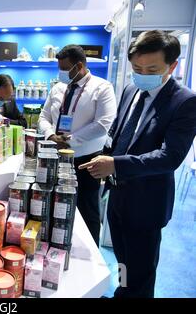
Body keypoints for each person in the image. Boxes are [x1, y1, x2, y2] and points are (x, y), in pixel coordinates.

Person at [79, 30, 196, 298]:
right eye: (137, 68)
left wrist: (116, 164)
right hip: (118, 195)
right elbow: (119, 134)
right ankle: (123, 291)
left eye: (152, 68)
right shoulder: (132, 89)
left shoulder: (185, 102)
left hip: (146, 203)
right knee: (122, 261)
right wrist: (102, 159)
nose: (142, 73)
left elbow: (170, 157)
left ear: (172, 65)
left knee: (141, 272)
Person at [38, 45, 117, 246]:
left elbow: (103, 124)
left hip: (85, 162)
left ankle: (91, 255)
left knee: (87, 210)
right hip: (55, 157)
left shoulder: (102, 87)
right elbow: (43, 116)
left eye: (64, 68)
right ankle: (56, 244)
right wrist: (50, 135)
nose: (61, 73)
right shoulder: (57, 88)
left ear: (79, 65)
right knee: (55, 206)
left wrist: (70, 139)